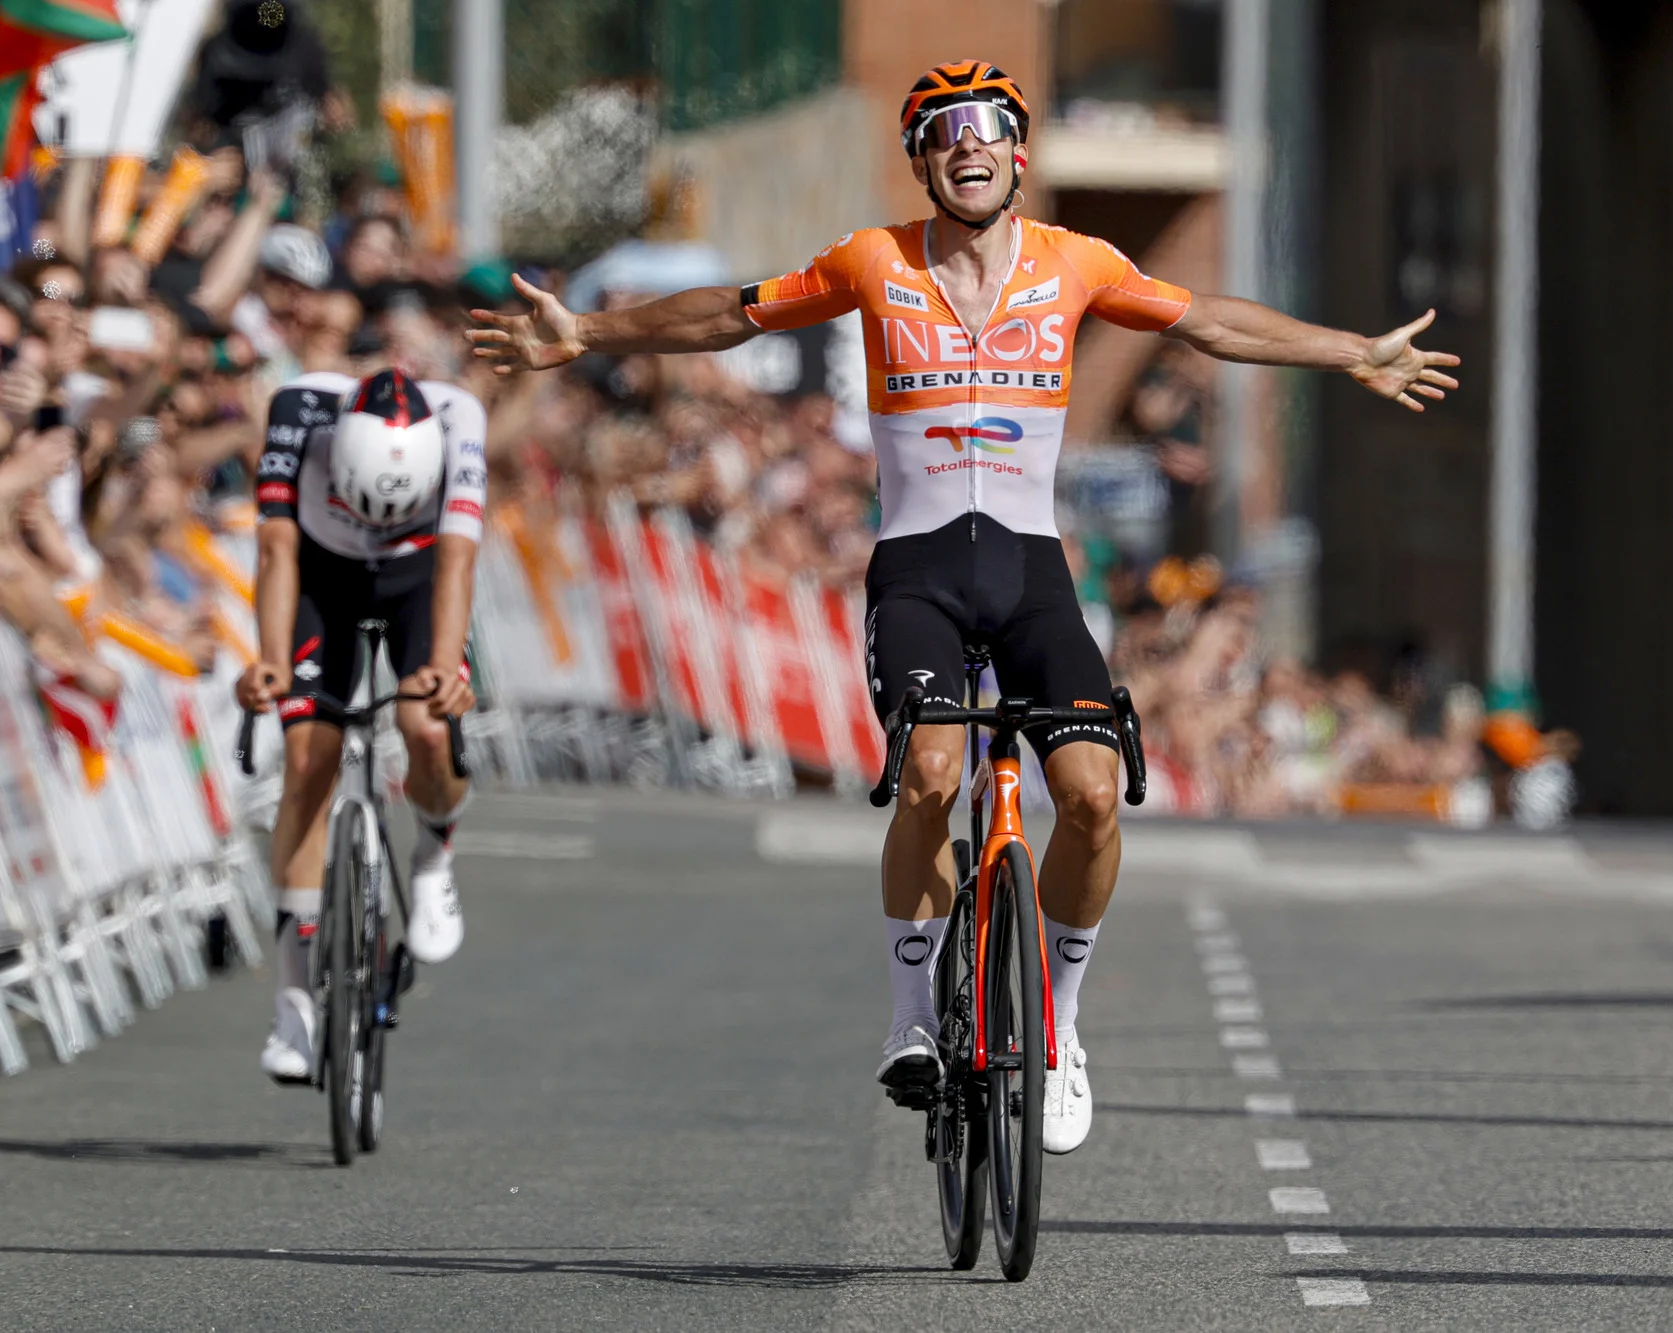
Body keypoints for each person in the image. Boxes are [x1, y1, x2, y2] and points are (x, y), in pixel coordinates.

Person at [466, 59, 1459, 1154]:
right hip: (918, 571)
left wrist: (1350, 350)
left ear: (1017, 153)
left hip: (1032, 573)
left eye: (987, 125)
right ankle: (906, 1021)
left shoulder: (1072, 263)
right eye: (940, 130)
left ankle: (1062, 1026)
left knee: (1087, 796)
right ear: (921, 159)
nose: (966, 143)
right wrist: (589, 337)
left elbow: (1209, 323)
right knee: (933, 772)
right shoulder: (872, 262)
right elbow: (730, 318)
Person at [235, 365, 485, 1082]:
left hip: (418, 576)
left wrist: (443, 667)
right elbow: (277, 550)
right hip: (324, 575)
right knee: (309, 758)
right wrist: (272, 662)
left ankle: (435, 851)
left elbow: (460, 559)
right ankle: (292, 1001)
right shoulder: (297, 414)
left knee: (427, 725)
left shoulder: (459, 419)